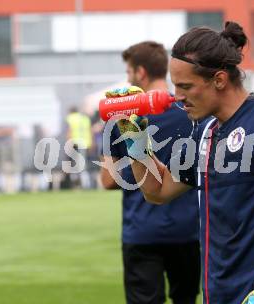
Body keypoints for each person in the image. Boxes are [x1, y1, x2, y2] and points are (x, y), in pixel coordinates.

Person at [116, 22, 254, 304]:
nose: (177, 96)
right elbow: (157, 191)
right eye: (175, 85)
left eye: (185, 86)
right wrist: (134, 138)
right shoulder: (204, 133)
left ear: (219, 79)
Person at [100, 41, 200, 304]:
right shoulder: (192, 112)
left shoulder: (122, 117)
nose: (128, 78)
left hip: (141, 230)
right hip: (187, 229)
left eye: (129, 72)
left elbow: (108, 180)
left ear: (140, 72)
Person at [64, 107, 92, 189]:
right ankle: (86, 185)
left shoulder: (70, 118)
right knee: (83, 165)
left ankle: (76, 185)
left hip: (75, 143)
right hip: (86, 143)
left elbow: (69, 131)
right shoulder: (85, 118)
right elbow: (90, 131)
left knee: (75, 165)